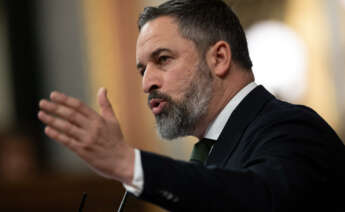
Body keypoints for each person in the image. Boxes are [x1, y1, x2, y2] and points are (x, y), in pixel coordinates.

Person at [38, 0, 345, 211]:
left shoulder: (290, 128)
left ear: (219, 58)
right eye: (143, 70)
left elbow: (257, 199)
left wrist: (128, 163)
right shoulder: (209, 153)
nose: (147, 83)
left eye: (163, 59)